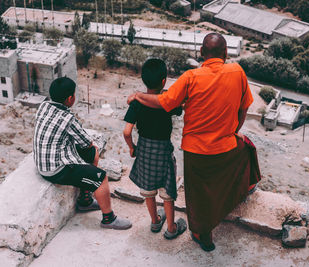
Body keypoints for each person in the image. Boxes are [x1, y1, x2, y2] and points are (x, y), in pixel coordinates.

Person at [127, 33, 261, 251]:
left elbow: (165, 102)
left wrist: (138, 95)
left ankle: (203, 235)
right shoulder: (237, 72)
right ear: (226, 53)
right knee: (246, 148)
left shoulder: (191, 77)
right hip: (226, 147)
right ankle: (249, 185)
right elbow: (244, 108)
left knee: (198, 196)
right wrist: (234, 131)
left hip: (196, 152)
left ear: (201, 53)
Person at [33, 77, 131, 230]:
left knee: (90, 153)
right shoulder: (67, 119)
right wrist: (92, 148)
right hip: (56, 170)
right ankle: (108, 219)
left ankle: (85, 200)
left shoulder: (44, 106)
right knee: (100, 176)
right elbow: (86, 142)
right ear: (70, 99)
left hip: (44, 162)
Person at [123, 58, 187, 239]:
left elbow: (127, 131)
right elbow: (181, 105)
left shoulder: (137, 102)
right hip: (163, 152)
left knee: (148, 191)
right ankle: (172, 229)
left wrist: (131, 148)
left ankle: (155, 221)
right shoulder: (166, 101)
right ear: (163, 81)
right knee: (167, 194)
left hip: (143, 150)